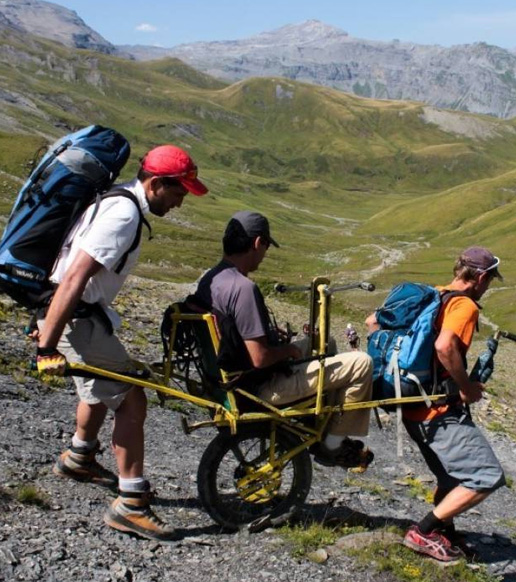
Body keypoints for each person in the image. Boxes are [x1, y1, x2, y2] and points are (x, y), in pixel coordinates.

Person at [35, 144, 209, 541]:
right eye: (179, 193)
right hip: (77, 320)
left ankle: (80, 457)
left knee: (100, 385)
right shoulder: (123, 215)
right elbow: (76, 277)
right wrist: (47, 343)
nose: (181, 203)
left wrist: (46, 322)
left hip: (71, 317)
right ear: (157, 183)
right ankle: (131, 504)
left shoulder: (116, 202)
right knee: (131, 397)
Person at [190, 211, 374, 468]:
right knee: (362, 363)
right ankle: (331, 446)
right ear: (257, 243)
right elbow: (260, 357)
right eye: (265, 246)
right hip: (257, 389)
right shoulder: (243, 289)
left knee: (326, 344)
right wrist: (286, 350)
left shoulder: (213, 278)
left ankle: (317, 422)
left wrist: (275, 340)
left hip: (229, 377)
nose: (264, 254)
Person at [399, 246, 506, 562]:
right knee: (486, 476)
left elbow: (372, 322)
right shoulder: (464, 306)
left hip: (412, 405)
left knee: (451, 477)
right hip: (438, 410)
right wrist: (467, 388)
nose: (488, 287)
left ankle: (445, 533)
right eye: (490, 281)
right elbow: (445, 346)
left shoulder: (435, 295)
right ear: (481, 277)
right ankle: (425, 531)